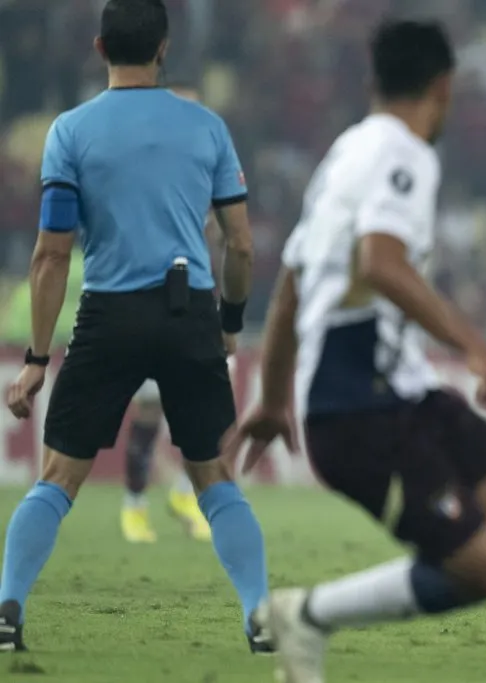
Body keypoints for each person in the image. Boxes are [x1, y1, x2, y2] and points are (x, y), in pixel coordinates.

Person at [225, 19, 486, 683]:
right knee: (482, 568)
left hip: (399, 394)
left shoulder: (344, 155)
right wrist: (479, 348)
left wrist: (274, 395)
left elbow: (290, 286)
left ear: (374, 81)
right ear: (444, 86)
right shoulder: (404, 153)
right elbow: (381, 262)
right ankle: (308, 614)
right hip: (357, 410)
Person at [0, 0, 271, 653]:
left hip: (110, 313)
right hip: (189, 311)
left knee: (60, 474)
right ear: (164, 49)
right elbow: (239, 245)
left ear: (99, 48)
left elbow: (52, 254)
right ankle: (260, 614)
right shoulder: (206, 128)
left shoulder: (70, 131)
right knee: (212, 477)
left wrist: (37, 357)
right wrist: (229, 321)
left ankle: (6, 611)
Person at [119, 82, 220, 545]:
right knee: (147, 411)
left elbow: (217, 234)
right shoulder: (141, 167)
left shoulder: (206, 167)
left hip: (193, 300)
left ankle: (182, 492)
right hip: (146, 300)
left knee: (210, 407)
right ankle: (134, 507)